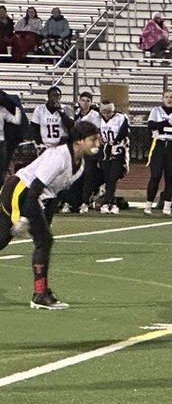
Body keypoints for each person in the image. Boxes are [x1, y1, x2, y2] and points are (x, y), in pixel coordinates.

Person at [0, 120, 101, 309]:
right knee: (44, 241)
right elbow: (34, 188)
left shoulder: (79, 164)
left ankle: (40, 293)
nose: (97, 143)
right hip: (20, 189)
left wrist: (46, 221)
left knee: (3, 238)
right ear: (79, 141)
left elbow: (56, 195)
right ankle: (39, 294)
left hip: (29, 193)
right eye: (92, 139)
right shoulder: (60, 156)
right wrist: (24, 218)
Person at [145, 90, 172, 214]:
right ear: (163, 99)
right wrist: (166, 124)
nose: (169, 99)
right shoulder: (156, 110)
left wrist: (163, 127)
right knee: (155, 175)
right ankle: (148, 205)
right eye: (167, 97)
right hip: (159, 144)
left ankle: (167, 206)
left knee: (170, 176)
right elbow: (151, 125)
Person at [95, 102, 129, 214]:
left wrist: (113, 142)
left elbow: (123, 133)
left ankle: (107, 203)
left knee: (113, 177)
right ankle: (112, 203)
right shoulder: (97, 118)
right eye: (104, 111)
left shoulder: (121, 117)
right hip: (104, 150)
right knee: (107, 177)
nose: (106, 114)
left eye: (109, 111)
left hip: (118, 149)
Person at [1, 90, 28, 178]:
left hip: (8, 139)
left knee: (3, 168)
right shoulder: (12, 100)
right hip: (9, 139)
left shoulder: (10, 101)